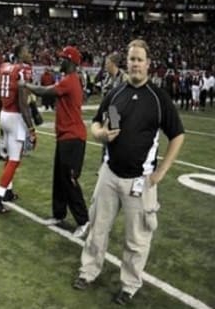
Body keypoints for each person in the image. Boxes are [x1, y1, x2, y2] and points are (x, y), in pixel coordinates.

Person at [73, 39, 184, 305]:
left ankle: (130, 284)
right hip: (109, 175)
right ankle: (88, 271)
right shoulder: (116, 94)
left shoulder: (159, 99)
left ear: (148, 64)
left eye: (139, 60)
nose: (134, 64)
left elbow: (178, 136)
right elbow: (98, 124)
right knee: (97, 228)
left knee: (136, 239)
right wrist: (101, 134)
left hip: (141, 181)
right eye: (131, 59)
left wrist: (161, 174)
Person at [22, 46, 89, 237]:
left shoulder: (70, 80)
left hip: (73, 137)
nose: (60, 62)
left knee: (69, 179)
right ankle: (59, 214)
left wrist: (25, 85)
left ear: (71, 62)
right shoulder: (69, 80)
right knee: (59, 179)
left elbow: (44, 91)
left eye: (63, 59)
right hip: (65, 136)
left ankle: (84, 221)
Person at [0, 44, 36, 213]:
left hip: (4, 115)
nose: (29, 54)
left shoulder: (5, 68)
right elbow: (23, 103)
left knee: (9, 157)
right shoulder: (22, 70)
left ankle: (7, 191)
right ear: (19, 54)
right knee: (14, 160)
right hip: (15, 117)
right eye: (27, 51)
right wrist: (31, 128)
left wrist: (0, 119)